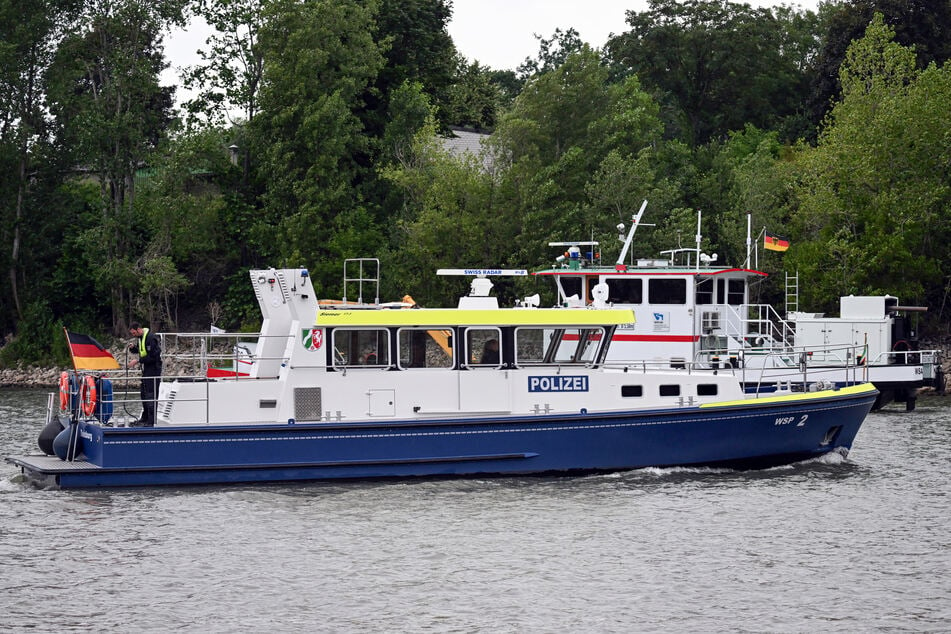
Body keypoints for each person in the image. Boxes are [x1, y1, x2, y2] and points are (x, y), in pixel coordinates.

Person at [128, 322, 162, 427]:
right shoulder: (141, 338)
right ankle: (145, 416)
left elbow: (153, 356)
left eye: (134, 333)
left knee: (151, 394)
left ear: (138, 329)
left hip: (154, 369)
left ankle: (151, 420)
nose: (133, 335)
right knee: (144, 393)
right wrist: (133, 347)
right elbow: (140, 350)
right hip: (146, 369)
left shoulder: (151, 338)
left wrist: (138, 361)